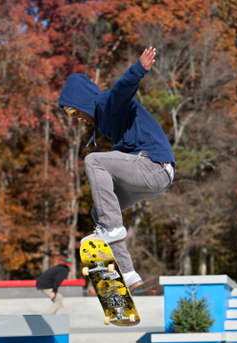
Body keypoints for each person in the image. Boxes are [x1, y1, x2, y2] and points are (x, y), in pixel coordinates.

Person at [59, 47, 175, 291]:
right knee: (99, 212)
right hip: (153, 178)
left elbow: (122, 90)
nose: (75, 117)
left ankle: (111, 229)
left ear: (82, 102)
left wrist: (138, 69)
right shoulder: (105, 123)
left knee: (94, 161)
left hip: (153, 166)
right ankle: (130, 274)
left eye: (73, 111)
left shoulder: (106, 104)